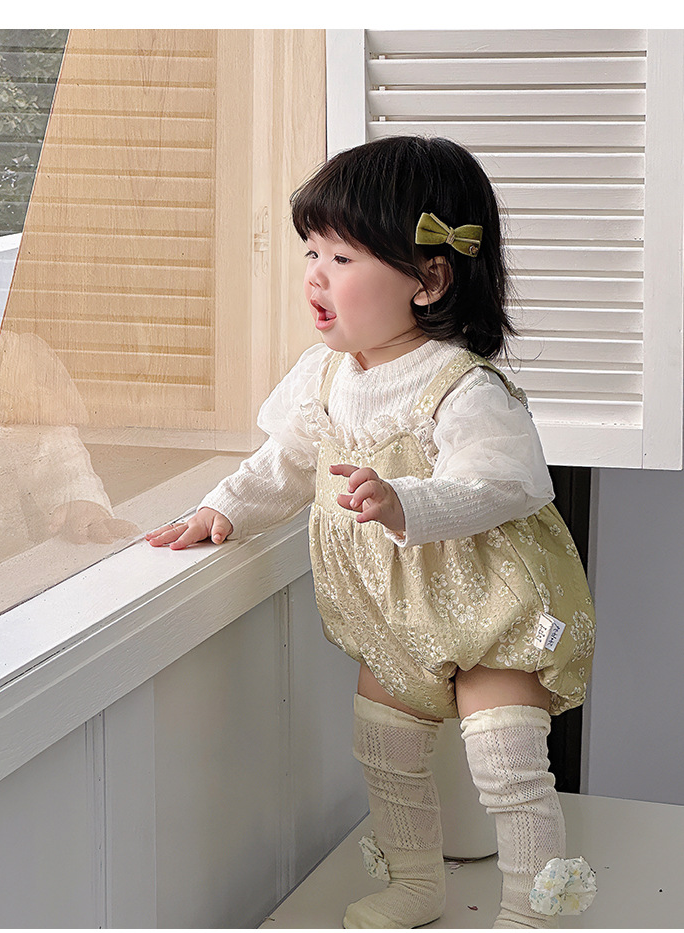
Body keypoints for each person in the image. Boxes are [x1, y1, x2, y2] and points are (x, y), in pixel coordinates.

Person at [146, 136, 597, 929]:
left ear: (429, 279)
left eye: (343, 257)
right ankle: (416, 881)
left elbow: (508, 483)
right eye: (311, 251)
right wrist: (224, 508)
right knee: (386, 748)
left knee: (507, 762)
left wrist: (405, 502)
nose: (315, 275)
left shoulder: (461, 385)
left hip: (488, 602)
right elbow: (286, 461)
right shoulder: (324, 376)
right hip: (394, 612)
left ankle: (535, 911)